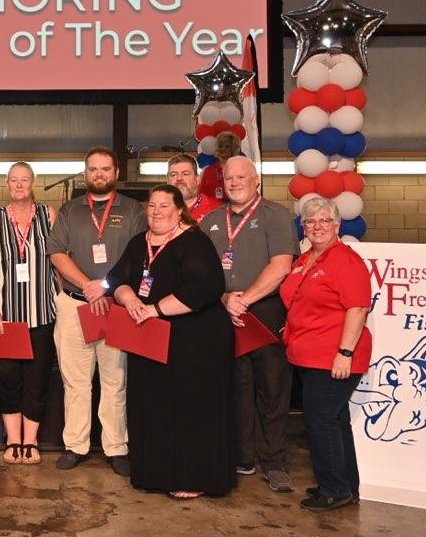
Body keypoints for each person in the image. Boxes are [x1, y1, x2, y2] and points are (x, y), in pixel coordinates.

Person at [108, 184, 234, 498]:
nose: (157, 211)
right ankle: (156, 473)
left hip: (195, 341)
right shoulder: (139, 242)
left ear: (179, 209)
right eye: (151, 205)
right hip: (149, 338)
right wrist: (131, 301)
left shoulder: (194, 241)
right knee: (152, 406)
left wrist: (155, 309)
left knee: (189, 409)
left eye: (165, 205)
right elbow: (117, 280)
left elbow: (205, 288)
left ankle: (193, 478)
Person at [200, 155, 299, 492]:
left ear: (255, 179)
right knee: (235, 387)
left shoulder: (276, 215)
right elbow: (204, 272)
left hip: (265, 311)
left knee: (271, 387)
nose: (235, 182)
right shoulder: (211, 221)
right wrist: (226, 300)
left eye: (242, 176)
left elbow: (282, 264)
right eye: (229, 178)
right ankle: (242, 457)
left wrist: (247, 298)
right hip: (224, 313)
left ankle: (273, 460)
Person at [46, 147, 146, 475]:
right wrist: (88, 285)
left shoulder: (133, 211)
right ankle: (76, 444)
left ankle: (116, 446)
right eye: (93, 169)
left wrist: (105, 285)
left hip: (116, 306)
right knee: (75, 381)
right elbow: (57, 253)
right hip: (76, 304)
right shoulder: (71, 210)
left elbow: (138, 256)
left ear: (116, 172)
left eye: (105, 169)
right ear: (85, 173)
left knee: (116, 380)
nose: (99, 175)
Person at [279, 197, 372, 512]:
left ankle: (333, 489)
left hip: (333, 356)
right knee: (335, 420)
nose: (317, 226)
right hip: (307, 356)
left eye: (324, 221)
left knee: (320, 420)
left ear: (337, 225)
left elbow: (358, 307)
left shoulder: (344, 260)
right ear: (303, 227)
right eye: (311, 221)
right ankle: (346, 485)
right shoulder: (305, 259)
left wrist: (344, 352)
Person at [0, 162, 58, 465]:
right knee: (8, 378)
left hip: (41, 314)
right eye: (14, 180)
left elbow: (58, 260)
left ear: (33, 182)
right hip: (5, 317)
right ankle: (13, 439)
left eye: (25, 180)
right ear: (7, 185)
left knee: (37, 379)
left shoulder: (49, 216)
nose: (20, 185)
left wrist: (63, 300)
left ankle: (31, 440)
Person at [166, 153, 221, 222]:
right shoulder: (158, 210)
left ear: (197, 179)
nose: (179, 178)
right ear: (168, 180)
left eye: (185, 174)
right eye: (173, 175)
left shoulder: (216, 209)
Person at [197, 130, 240, 206]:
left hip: (235, 212)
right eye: (220, 146)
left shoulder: (240, 169)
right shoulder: (208, 170)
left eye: (227, 147)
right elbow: (201, 195)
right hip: (212, 213)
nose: (223, 149)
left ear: (233, 149)